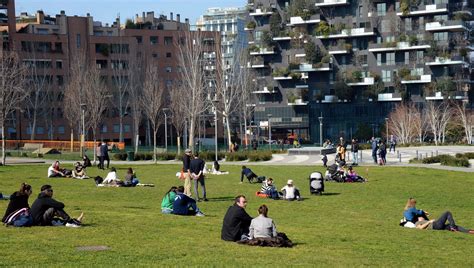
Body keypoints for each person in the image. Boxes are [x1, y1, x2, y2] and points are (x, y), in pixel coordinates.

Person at [404, 198, 474, 234]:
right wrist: (429, 222)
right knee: (447, 212)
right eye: (420, 217)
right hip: (435, 225)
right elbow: (420, 228)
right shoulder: (417, 223)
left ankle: (468, 231)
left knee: (452, 225)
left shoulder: (408, 211)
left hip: (438, 226)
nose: (421, 217)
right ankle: (453, 227)